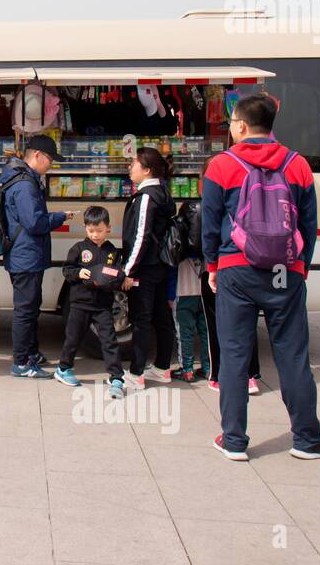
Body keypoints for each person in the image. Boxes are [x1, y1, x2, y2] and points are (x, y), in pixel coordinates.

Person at [202, 93, 320, 461]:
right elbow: (309, 225)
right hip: (285, 271)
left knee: (234, 356)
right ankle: (307, 440)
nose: (230, 127)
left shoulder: (222, 165)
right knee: (292, 357)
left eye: (232, 122)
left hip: (237, 269)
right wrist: (302, 267)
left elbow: (211, 223)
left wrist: (213, 266)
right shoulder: (298, 165)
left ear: (242, 126)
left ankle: (234, 441)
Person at [0, 135, 73, 378]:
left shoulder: (23, 179)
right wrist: (60, 217)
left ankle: (31, 353)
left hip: (25, 254)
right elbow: (35, 222)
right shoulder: (25, 185)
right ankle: (21, 363)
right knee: (25, 310)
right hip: (26, 256)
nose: (51, 164)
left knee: (30, 307)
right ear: (37, 156)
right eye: (50, 159)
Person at [121, 147, 177, 389]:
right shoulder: (163, 192)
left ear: (147, 170)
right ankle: (162, 368)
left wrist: (128, 270)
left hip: (145, 268)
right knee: (161, 317)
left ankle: (136, 373)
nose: (130, 167)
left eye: (134, 163)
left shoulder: (146, 197)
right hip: (161, 266)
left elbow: (140, 236)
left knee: (141, 320)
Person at [59, 205, 124, 396]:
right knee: (73, 338)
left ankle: (116, 378)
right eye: (91, 230)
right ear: (85, 228)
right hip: (79, 304)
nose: (95, 234)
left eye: (100, 230)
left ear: (109, 229)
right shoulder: (78, 249)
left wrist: (121, 278)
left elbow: (117, 275)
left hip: (103, 306)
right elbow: (67, 270)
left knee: (109, 341)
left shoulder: (113, 252)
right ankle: (64, 368)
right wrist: (78, 272)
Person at [172, 255, 209, 383]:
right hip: (205, 293)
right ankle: (208, 368)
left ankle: (187, 370)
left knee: (184, 333)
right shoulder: (205, 240)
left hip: (183, 292)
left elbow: (171, 262)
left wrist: (170, 294)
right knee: (206, 333)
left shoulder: (181, 239)